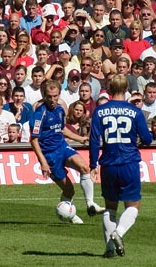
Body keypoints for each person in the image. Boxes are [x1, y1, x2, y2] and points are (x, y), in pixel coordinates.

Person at [89, 74, 152, 257]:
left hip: (108, 163)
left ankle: (109, 249)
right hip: (129, 162)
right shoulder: (135, 111)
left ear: (108, 90)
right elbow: (148, 139)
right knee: (133, 205)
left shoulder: (99, 111)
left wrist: (93, 164)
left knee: (110, 207)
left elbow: (94, 140)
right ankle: (119, 233)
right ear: (126, 91)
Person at [29, 79, 104, 224]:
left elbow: (62, 129)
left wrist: (80, 138)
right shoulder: (40, 114)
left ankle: (90, 204)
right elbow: (33, 140)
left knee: (84, 167)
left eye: (55, 96)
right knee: (69, 191)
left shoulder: (59, 110)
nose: (53, 99)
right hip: (50, 156)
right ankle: (69, 215)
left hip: (62, 147)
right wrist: (43, 162)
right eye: (49, 96)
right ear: (44, 95)